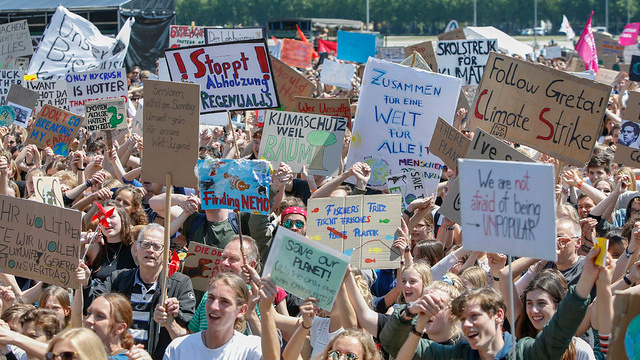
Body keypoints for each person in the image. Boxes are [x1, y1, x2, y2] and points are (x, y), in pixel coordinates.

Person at [381, 246, 603, 360]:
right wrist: (412, 315)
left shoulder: (523, 353)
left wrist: (587, 278)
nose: (467, 325)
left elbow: (561, 329)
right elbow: (395, 345)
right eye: (464, 319)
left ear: (498, 316)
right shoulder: (458, 353)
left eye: (475, 316)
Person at [83, 223, 195, 359]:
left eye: (157, 247)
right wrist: (85, 283)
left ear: (167, 254)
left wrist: (170, 321)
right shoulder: (118, 278)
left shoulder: (180, 284)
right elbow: (91, 306)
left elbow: (189, 340)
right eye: (145, 244)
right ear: (135, 249)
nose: (150, 250)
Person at [162, 272, 279, 360]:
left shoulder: (251, 349)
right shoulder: (178, 348)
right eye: (211, 298)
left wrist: (266, 311)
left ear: (242, 310)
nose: (214, 307)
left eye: (224, 302)